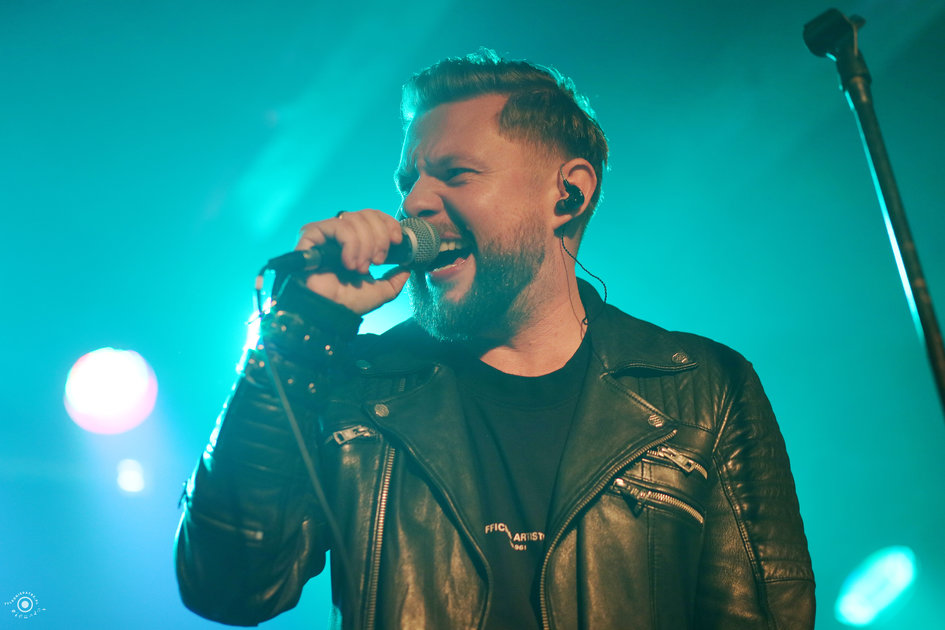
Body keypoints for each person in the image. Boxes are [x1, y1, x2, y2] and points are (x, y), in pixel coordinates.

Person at [175, 50, 815, 629]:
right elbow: (228, 586)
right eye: (408, 182)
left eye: (455, 174)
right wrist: (300, 332)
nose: (413, 203)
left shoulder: (701, 388)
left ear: (568, 193)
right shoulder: (357, 385)